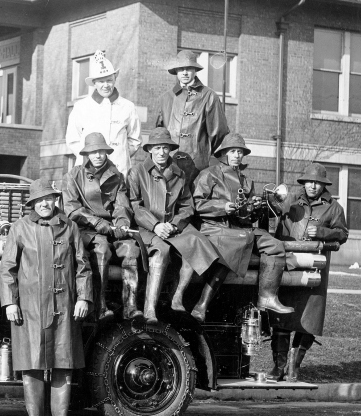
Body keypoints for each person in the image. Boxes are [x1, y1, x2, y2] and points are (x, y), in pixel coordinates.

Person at [0, 179, 92, 416]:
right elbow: (7, 268)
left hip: (64, 304)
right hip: (29, 306)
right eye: (39, 200)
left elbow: (83, 265)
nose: (44, 204)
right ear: (32, 203)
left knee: (63, 360)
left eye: (48, 198)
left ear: (55, 201)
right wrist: (10, 302)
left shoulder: (70, 227)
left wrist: (83, 298)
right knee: (31, 361)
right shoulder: (20, 227)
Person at [193, 133, 293, 323]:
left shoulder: (246, 181)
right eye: (233, 151)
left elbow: (247, 217)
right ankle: (201, 305)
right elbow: (197, 204)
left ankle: (267, 297)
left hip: (240, 229)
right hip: (215, 227)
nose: (237, 155)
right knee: (234, 245)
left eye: (240, 152)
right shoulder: (209, 174)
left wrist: (255, 208)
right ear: (224, 153)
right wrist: (223, 207)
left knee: (275, 245)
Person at [127, 127, 222, 324]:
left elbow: (187, 206)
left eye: (165, 148)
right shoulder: (137, 172)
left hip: (172, 226)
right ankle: (149, 309)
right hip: (147, 228)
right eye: (157, 148)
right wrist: (155, 225)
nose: (162, 152)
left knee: (195, 241)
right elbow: (135, 205)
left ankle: (177, 295)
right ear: (150, 149)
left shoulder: (179, 174)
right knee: (161, 251)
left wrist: (174, 224)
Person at [270, 163, 348, 381]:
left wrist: (323, 232)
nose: (313, 186)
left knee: (309, 320)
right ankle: (278, 366)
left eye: (317, 183)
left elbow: (342, 234)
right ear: (304, 183)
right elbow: (275, 220)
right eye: (309, 182)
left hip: (316, 267)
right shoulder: (291, 201)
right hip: (290, 264)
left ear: (324, 185)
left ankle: (294, 366)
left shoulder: (334, 208)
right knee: (282, 316)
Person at [62, 131, 142, 321]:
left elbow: (122, 205)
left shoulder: (117, 176)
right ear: (86, 154)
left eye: (101, 151)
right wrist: (97, 222)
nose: (98, 155)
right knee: (102, 249)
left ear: (107, 152)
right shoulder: (73, 175)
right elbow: (72, 209)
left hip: (112, 229)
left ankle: (130, 306)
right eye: (93, 151)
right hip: (87, 230)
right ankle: (100, 307)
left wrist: (122, 224)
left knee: (131, 249)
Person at [65, 50, 141, 176]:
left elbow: (134, 140)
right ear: (94, 83)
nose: (106, 85)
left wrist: (120, 154)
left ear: (115, 79)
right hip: (89, 170)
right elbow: (73, 140)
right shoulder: (81, 107)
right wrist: (90, 158)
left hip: (119, 169)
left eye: (109, 80)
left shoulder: (128, 107)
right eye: (101, 81)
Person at [156, 50, 229, 173]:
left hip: (198, 165)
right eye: (181, 68)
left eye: (189, 68)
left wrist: (203, 151)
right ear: (176, 70)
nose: (184, 72)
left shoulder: (209, 96)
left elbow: (219, 132)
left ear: (195, 70)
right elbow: (159, 133)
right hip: (169, 164)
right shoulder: (166, 98)